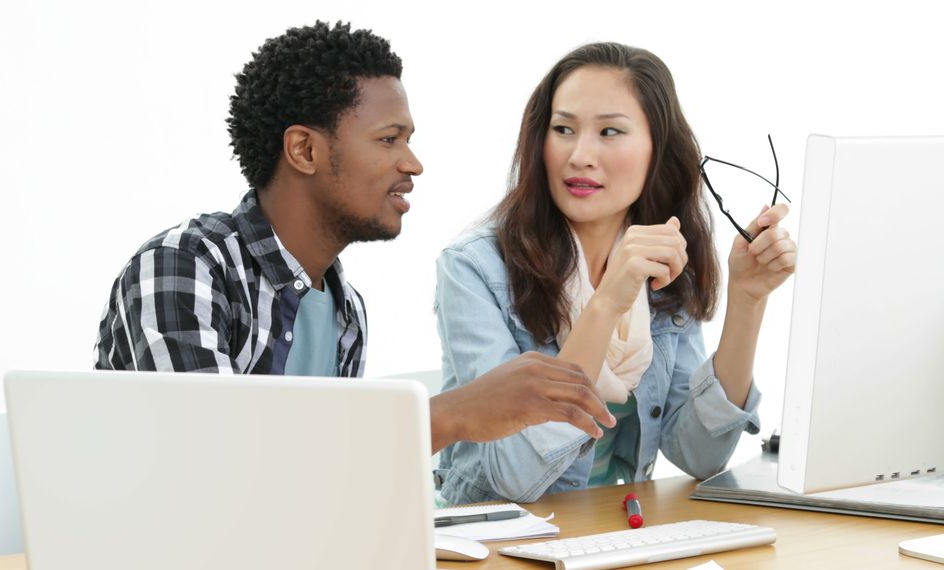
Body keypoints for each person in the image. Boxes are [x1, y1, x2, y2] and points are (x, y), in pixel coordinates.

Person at [93, 21, 615, 454]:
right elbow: (215, 463)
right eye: (389, 140)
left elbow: (322, 483)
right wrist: (451, 415)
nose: (412, 164)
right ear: (304, 151)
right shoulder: (185, 267)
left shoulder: (346, 313)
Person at [433, 42, 797, 504]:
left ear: (657, 151)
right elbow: (515, 476)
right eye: (563, 128)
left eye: (609, 132)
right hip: (502, 540)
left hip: (613, 532)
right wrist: (606, 303)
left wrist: (748, 299)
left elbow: (699, 454)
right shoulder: (474, 268)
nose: (580, 155)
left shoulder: (660, 255)